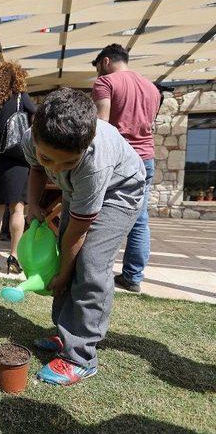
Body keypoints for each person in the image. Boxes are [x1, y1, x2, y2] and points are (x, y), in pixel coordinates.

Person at [24, 88, 145, 386]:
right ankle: (66, 333)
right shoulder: (33, 137)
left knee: (89, 263)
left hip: (121, 191)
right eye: (49, 158)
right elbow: (37, 168)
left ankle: (81, 356)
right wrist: (33, 203)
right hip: (76, 192)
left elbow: (77, 233)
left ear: (86, 146)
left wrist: (63, 275)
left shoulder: (93, 163)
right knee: (65, 252)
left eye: (67, 163)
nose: (56, 168)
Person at [92, 43, 161, 293]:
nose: (99, 72)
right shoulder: (152, 88)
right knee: (140, 219)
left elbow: (102, 126)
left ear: (107, 61)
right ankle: (133, 276)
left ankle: (92, 272)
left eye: (99, 66)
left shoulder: (106, 83)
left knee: (96, 215)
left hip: (119, 159)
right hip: (146, 158)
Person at [0, 61, 36, 274]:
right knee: (17, 208)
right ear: (18, 78)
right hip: (18, 160)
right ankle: (13, 256)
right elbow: (35, 119)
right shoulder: (21, 98)